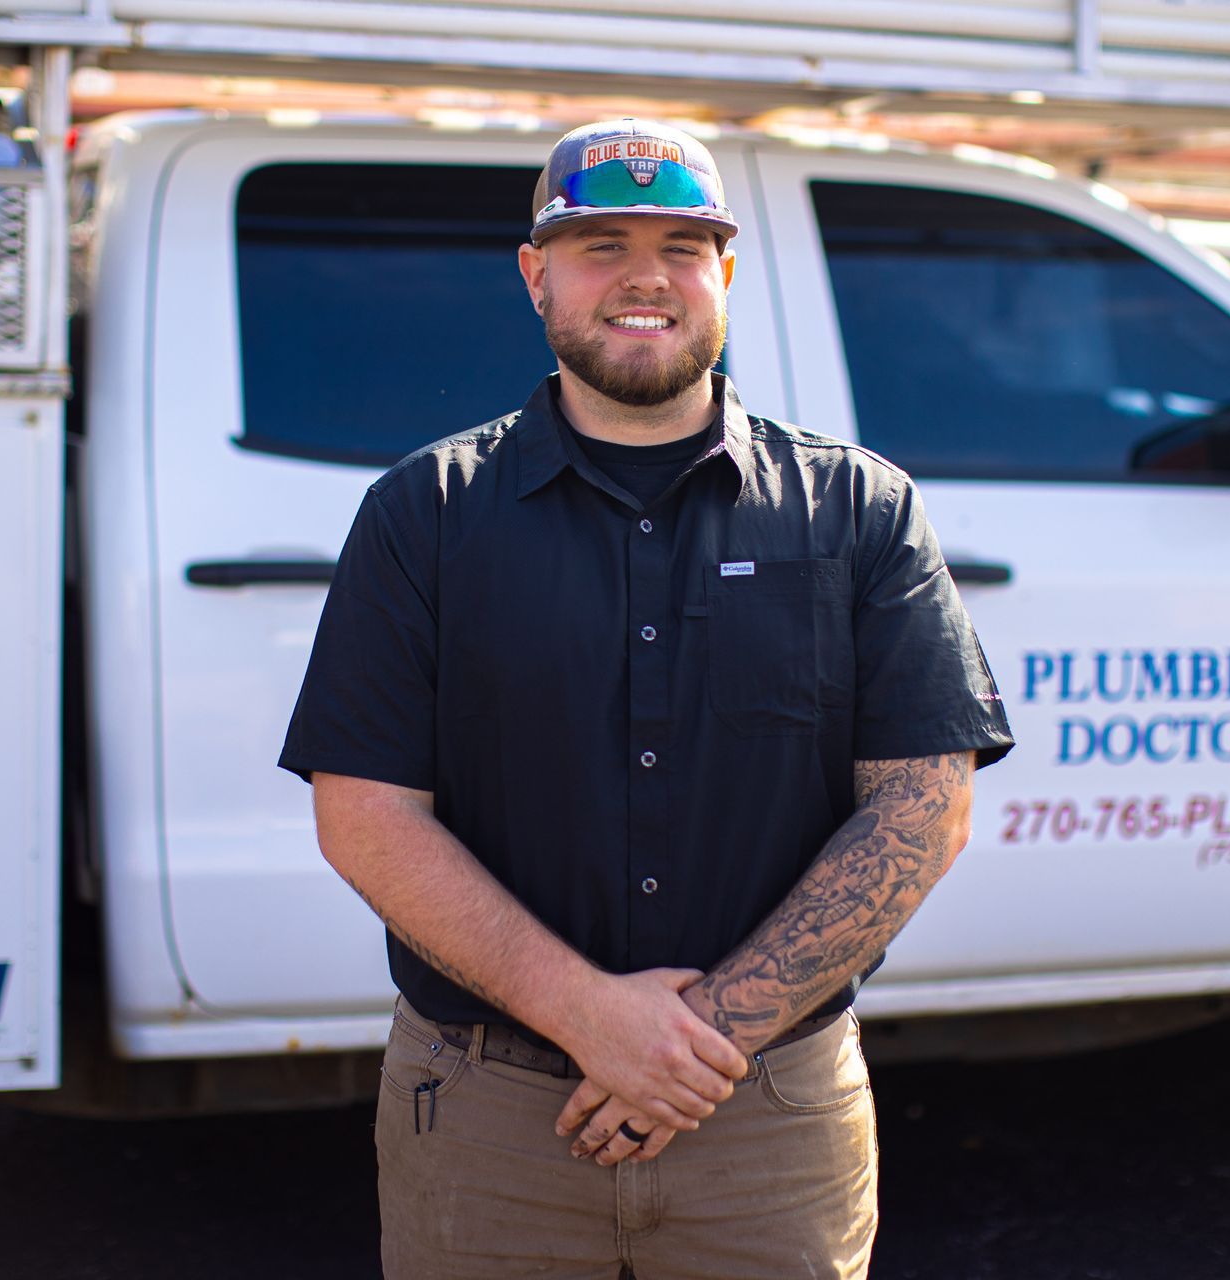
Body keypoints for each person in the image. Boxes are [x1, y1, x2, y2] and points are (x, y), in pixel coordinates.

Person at [279, 117, 1013, 1279]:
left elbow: (924, 808)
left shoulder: (860, 510)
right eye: (598, 243)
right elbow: (363, 812)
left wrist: (703, 1035)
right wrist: (592, 1015)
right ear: (535, 276)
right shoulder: (424, 512)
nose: (643, 276)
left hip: (767, 1111)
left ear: (724, 272)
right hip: (489, 1118)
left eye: (681, 244)